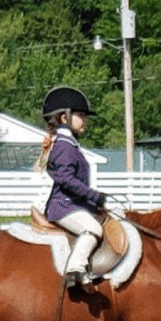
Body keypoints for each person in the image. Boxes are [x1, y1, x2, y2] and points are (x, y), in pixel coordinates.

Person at [37, 87, 120, 291]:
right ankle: (75, 269)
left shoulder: (69, 144)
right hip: (63, 207)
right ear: (64, 118)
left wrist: (94, 202)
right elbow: (66, 179)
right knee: (92, 229)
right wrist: (95, 196)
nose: (85, 120)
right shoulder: (65, 147)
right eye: (80, 115)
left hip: (72, 205)